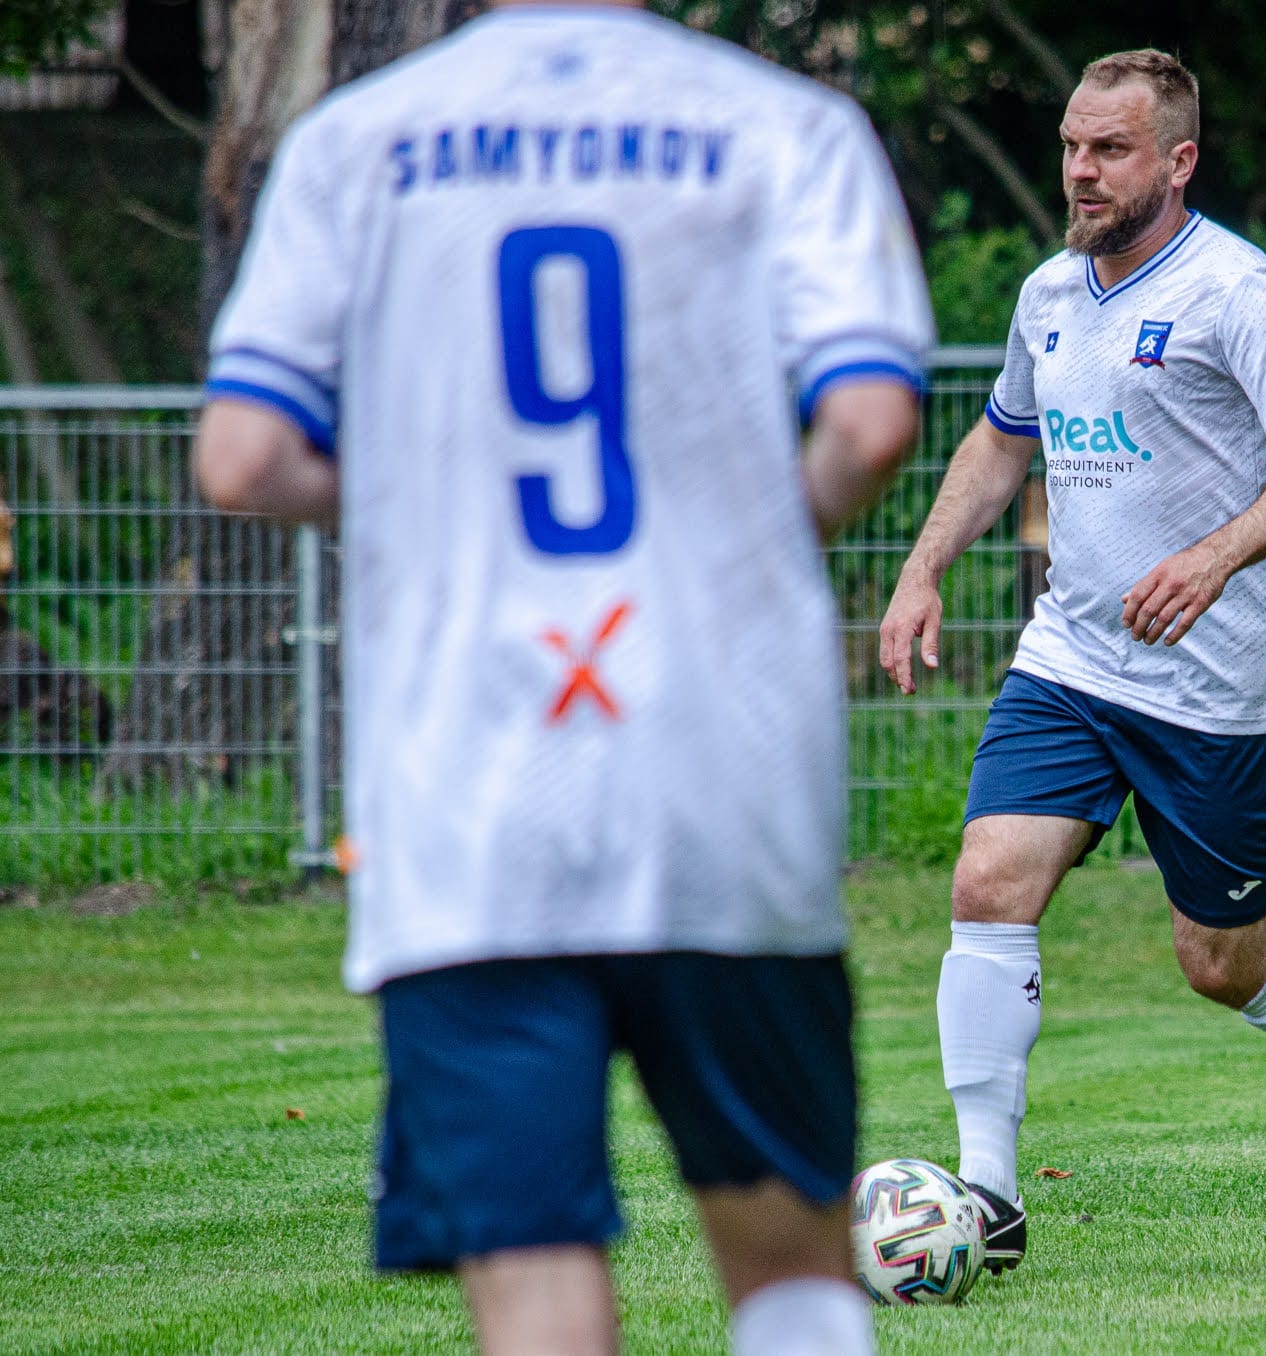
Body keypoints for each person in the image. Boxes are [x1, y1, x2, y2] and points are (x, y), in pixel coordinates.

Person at [192, 3, 932, 1352]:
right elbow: (871, 420)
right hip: (720, 763)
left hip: (469, 794)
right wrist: (761, 532)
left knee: (535, 1283)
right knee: (789, 1265)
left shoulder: (359, 140)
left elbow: (240, 458)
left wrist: (424, 513)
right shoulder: (786, 125)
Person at [878, 48, 1266, 1268]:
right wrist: (923, 567)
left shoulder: (1237, 291)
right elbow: (1002, 438)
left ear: (1175, 162)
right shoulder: (1048, 294)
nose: (1080, 170)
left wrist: (1215, 557)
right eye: (1072, 145)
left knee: (1216, 963)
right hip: (1071, 658)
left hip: (1218, 681)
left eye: (1108, 150)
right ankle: (986, 1198)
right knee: (986, 883)